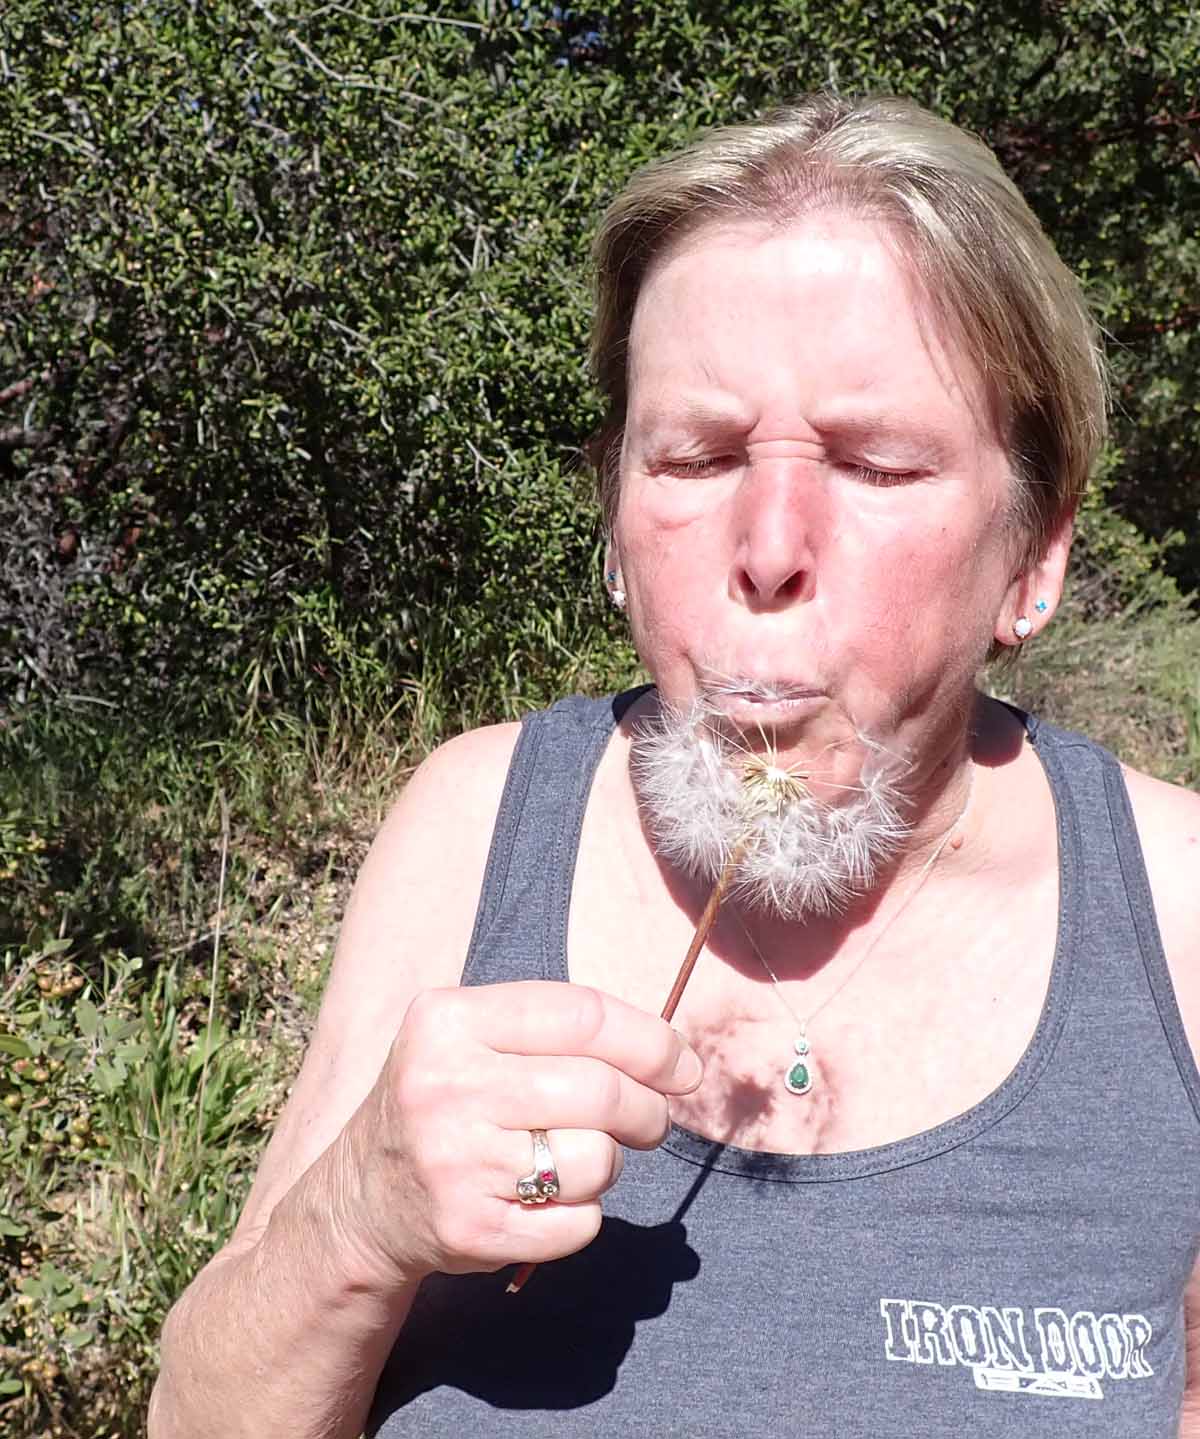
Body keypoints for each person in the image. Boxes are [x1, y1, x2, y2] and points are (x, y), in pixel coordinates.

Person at [149, 92, 1200, 1438]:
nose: (768, 548)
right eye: (696, 460)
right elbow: (201, 1413)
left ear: (1034, 553)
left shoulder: (1173, 911)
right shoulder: (475, 826)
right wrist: (355, 1221)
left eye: (877, 467)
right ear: (616, 514)